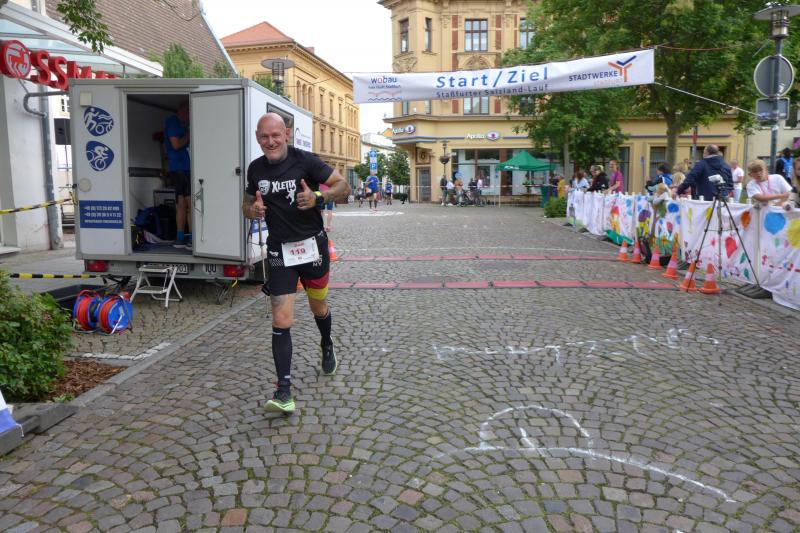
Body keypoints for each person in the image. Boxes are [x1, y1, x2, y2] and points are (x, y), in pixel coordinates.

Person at [242, 113, 351, 414]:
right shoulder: (255, 169)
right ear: (258, 137)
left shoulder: (305, 161)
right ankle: (284, 392)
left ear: (286, 134)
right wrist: (253, 209)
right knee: (281, 318)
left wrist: (317, 196)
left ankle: (326, 343)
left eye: (275, 135)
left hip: (312, 248)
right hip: (280, 251)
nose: (270, 141)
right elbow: (246, 205)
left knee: (319, 306)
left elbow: (343, 186)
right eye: (264, 137)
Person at [165, 100, 191, 248]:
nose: (188, 116)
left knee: (181, 204)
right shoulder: (173, 122)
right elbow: (176, 145)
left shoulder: (180, 124)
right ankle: (190, 239)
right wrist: (189, 134)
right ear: (181, 110)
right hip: (180, 168)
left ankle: (181, 238)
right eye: (187, 112)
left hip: (181, 167)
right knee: (188, 204)